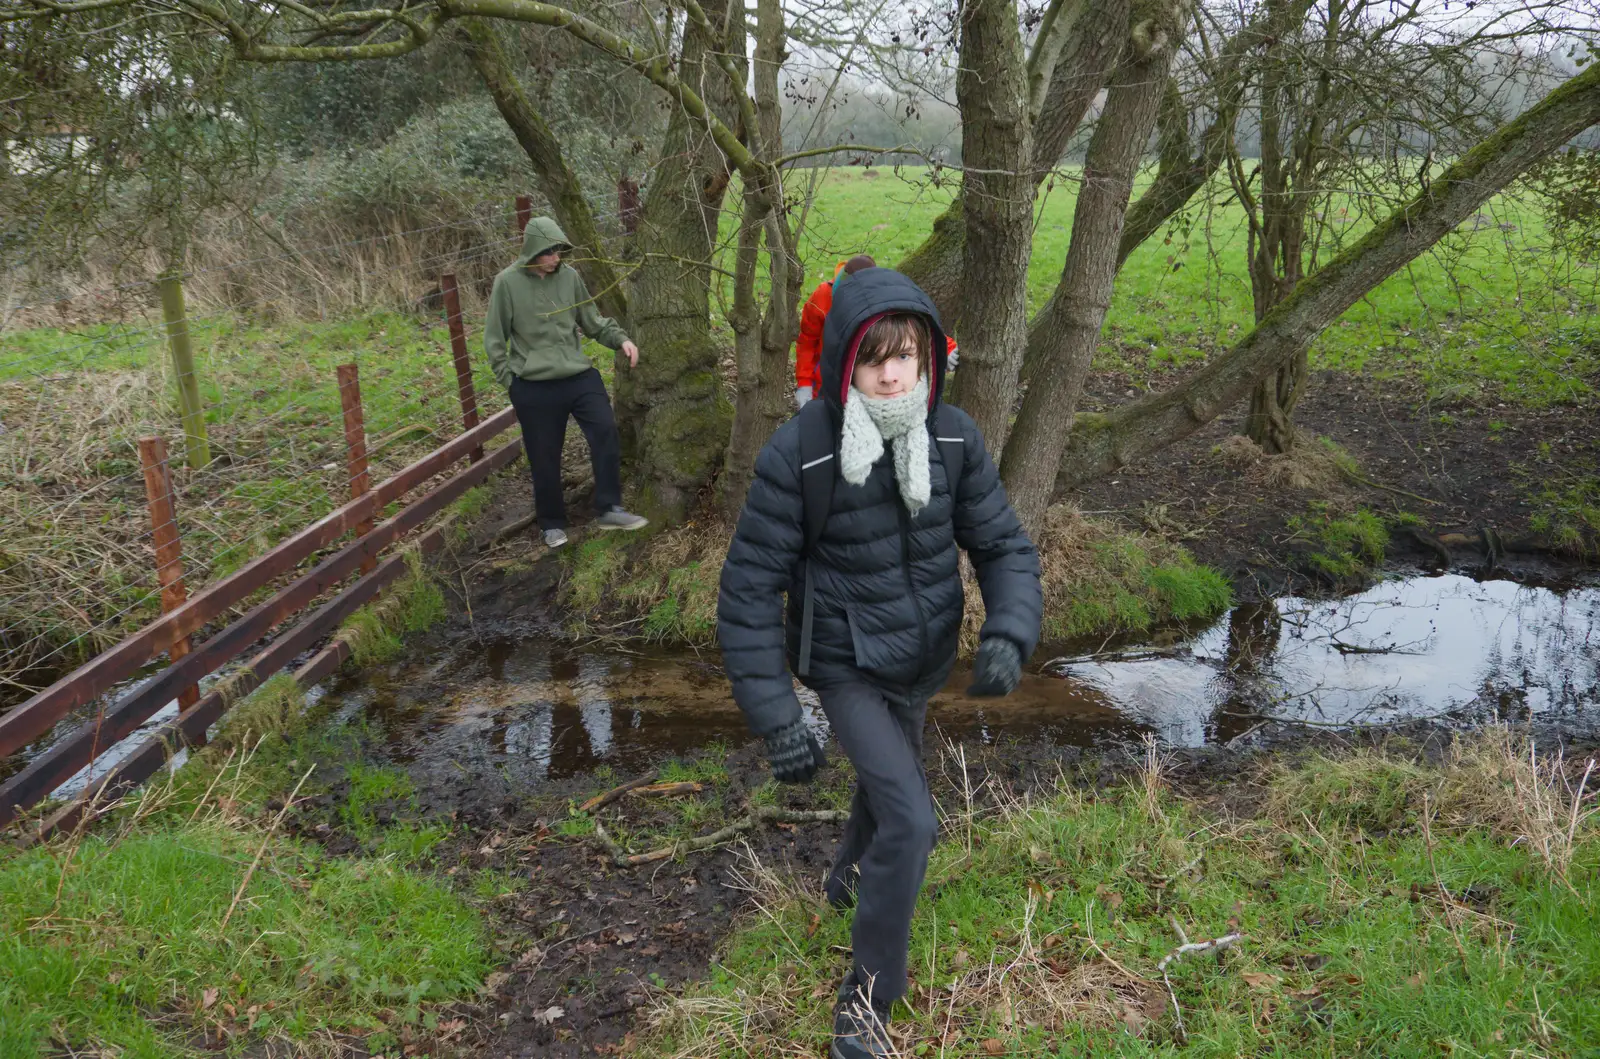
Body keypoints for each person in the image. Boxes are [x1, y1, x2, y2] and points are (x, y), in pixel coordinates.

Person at [717, 268, 1042, 1059]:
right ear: (843, 363)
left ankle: (845, 884)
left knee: (887, 778)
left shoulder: (955, 436)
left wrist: (1009, 628)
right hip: (845, 663)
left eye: (908, 357)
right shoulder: (802, 454)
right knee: (911, 817)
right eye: (874, 359)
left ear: (930, 358)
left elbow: (1002, 546)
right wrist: (779, 715)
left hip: (924, 654)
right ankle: (865, 1004)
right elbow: (749, 589)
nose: (893, 374)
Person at [485, 217, 649, 549]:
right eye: (549, 251)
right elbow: (493, 339)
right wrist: (512, 383)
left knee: (605, 428)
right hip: (533, 384)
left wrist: (621, 340)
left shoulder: (570, 277)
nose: (556, 257)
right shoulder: (506, 284)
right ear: (532, 251)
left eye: (559, 250)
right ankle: (551, 523)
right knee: (544, 455)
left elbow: (591, 321)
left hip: (577, 375)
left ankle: (609, 508)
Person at [794, 254, 959, 410]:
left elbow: (911, 330)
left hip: (869, 385)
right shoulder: (822, 296)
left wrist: (947, 348)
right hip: (825, 383)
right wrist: (804, 384)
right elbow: (807, 341)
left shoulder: (879, 298)